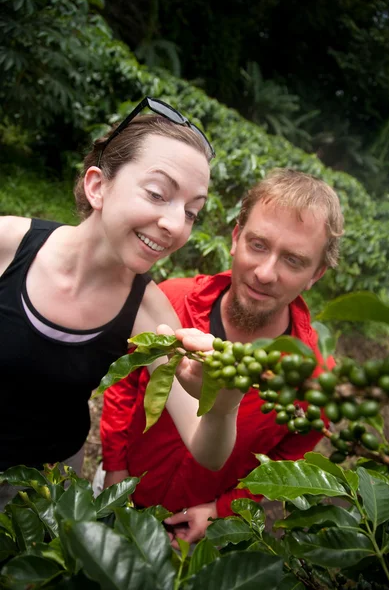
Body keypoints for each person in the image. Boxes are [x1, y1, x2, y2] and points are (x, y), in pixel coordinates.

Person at [0, 97, 246, 511]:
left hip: (40, 492)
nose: (175, 225)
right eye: (157, 194)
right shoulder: (7, 246)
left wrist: (223, 406)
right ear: (98, 186)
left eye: (192, 212)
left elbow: (208, 450)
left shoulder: (150, 316)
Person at [98, 167, 344, 547]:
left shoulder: (313, 378)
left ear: (317, 274)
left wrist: (222, 510)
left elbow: (284, 463)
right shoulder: (170, 302)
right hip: (124, 487)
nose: (265, 273)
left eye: (293, 261)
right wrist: (114, 468)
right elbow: (125, 386)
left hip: (193, 527)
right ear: (235, 238)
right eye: (258, 245)